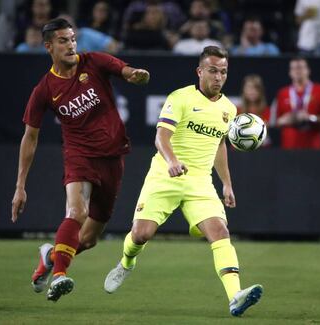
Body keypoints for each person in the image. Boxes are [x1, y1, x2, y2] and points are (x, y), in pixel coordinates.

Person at [104, 46, 263, 317]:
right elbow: (161, 137)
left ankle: (235, 296)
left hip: (200, 182)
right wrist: (173, 161)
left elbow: (219, 145)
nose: (218, 77)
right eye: (213, 71)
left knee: (221, 232)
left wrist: (226, 183)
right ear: (200, 71)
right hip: (165, 175)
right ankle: (126, 263)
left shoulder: (228, 108)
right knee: (141, 234)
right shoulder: (180, 98)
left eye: (223, 72)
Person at [11, 18, 150, 302]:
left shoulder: (94, 62)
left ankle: (50, 255)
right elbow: (30, 137)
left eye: (73, 39)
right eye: (63, 40)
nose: (71, 45)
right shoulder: (44, 90)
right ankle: (59, 276)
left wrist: (135, 74)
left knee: (88, 239)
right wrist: (20, 185)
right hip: (79, 155)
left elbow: (123, 69)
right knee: (76, 212)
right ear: (49, 46)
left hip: (112, 157)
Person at [274, 57, 320, 149]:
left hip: (312, 147)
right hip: (288, 148)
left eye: (301, 67)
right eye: (294, 68)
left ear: (308, 70)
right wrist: (288, 119)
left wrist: (310, 118)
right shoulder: (282, 93)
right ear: (290, 72)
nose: (298, 71)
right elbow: (276, 122)